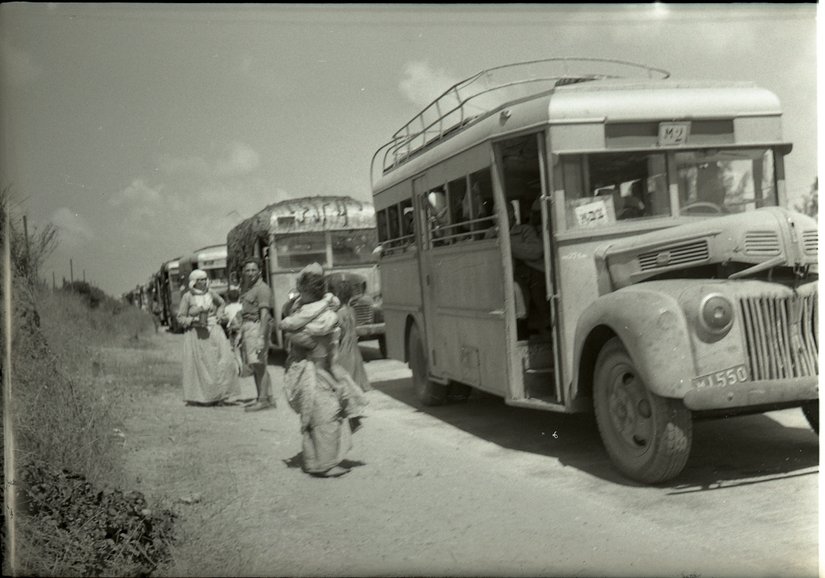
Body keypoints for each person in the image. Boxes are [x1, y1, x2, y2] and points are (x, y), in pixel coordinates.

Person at [280, 263, 366, 478]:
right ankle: (325, 464)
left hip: (299, 371)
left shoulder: (299, 315)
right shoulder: (322, 324)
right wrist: (337, 385)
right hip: (315, 374)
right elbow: (321, 364)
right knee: (327, 418)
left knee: (310, 420)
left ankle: (312, 462)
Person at [176, 269, 240, 406]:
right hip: (197, 334)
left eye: (205, 279)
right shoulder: (187, 297)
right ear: (194, 282)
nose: (204, 282)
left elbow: (221, 303)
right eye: (200, 280)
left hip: (214, 330)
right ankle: (205, 398)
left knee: (223, 361)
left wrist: (219, 314)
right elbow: (180, 317)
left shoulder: (211, 293)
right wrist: (192, 321)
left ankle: (221, 395)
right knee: (204, 366)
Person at [239, 257, 275, 412]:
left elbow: (265, 315)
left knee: (259, 365)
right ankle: (267, 397)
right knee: (257, 365)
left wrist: (261, 337)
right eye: (247, 270)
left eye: (253, 270)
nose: (250, 273)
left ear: (260, 271)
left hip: (256, 327)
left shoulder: (262, 289)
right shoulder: (249, 288)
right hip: (249, 327)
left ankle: (263, 400)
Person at [329, 278, 371, 393]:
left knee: (345, 384)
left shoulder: (338, 314)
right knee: (356, 385)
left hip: (343, 350)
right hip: (355, 350)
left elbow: (339, 334)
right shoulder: (352, 310)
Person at [221, 286, 244, 376]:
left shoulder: (227, 308)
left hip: (233, 330)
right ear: (239, 297)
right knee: (242, 349)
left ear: (229, 298)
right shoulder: (242, 306)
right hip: (242, 329)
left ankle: (239, 369)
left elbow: (225, 318)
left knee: (235, 350)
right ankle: (245, 367)